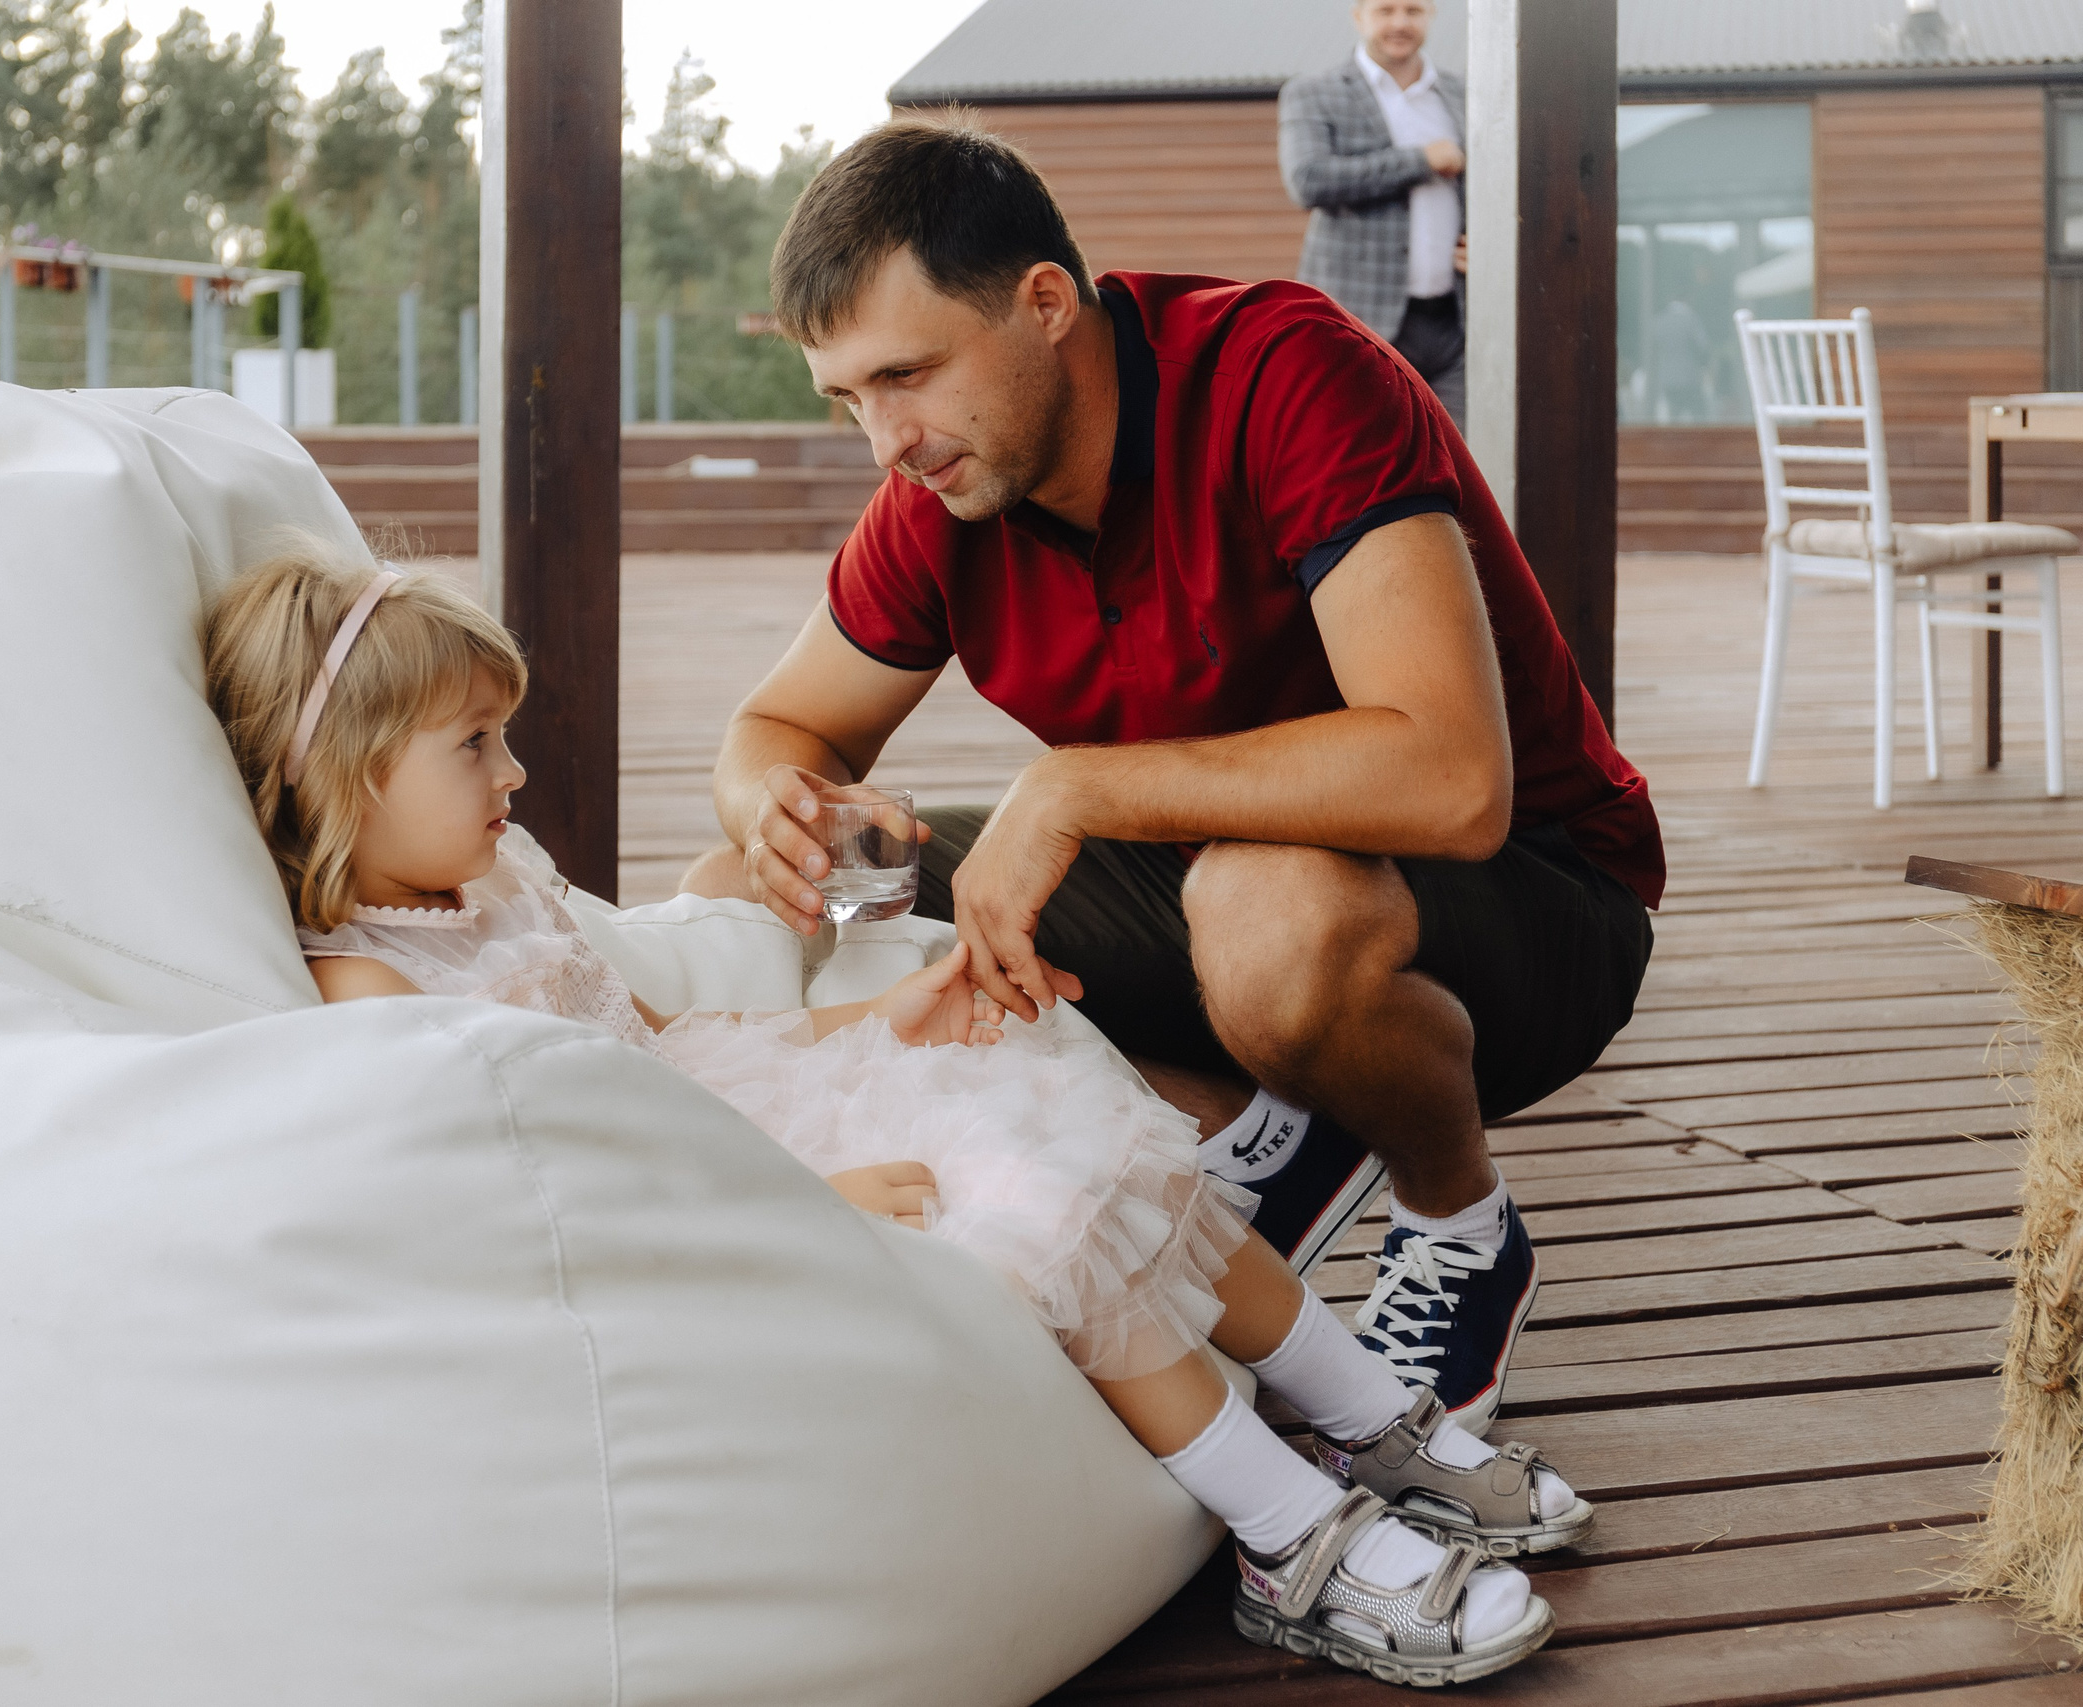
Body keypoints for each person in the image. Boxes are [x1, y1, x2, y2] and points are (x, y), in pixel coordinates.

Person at [201, 546, 1587, 1684]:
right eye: (474, 745)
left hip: (733, 1102)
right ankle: (1290, 1531)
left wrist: (880, 1021)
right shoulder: (373, 983)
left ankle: (1369, 1413)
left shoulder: (496, 887)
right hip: (715, 1177)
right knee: (1034, 1201)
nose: (514, 774)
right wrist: (795, 1203)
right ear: (354, 772)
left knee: (1095, 1124)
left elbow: (661, 1040)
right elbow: (541, 1180)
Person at [682, 119, 1663, 1435]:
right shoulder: (941, 491)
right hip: (1212, 887)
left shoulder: (1287, 372)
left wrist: (1075, 790)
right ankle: (1243, 1125)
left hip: (1531, 900)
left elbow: (1451, 775)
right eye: (848, 395)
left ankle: (1455, 1217)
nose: (886, 441)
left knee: (1268, 915)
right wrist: (779, 812)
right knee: (752, 891)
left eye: (905, 375)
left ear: (1044, 304)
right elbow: (778, 730)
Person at [1279, 0, 1469, 424]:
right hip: (1358, 321)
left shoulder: (1463, 94)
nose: (1400, 22)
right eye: (1386, 10)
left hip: (1454, 326)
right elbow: (1307, 180)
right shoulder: (1313, 93)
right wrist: (1420, 160)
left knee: (1458, 468)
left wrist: (1490, 243)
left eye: (1413, 10)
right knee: (1364, 466)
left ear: (1431, 15)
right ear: (1359, 16)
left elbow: (1491, 184)